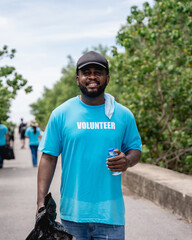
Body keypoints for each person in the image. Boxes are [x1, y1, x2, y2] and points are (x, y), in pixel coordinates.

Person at [36, 51, 142, 240]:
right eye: (86, 72)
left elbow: (135, 149)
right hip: (73, 215)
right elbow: (48, 158)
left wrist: (127, 161)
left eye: (98, 72)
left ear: (107, 78)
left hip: (111, 216)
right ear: (78, 79)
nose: (92, 77)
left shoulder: (123, 115)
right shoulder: (61, 114)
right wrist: (40, 201)